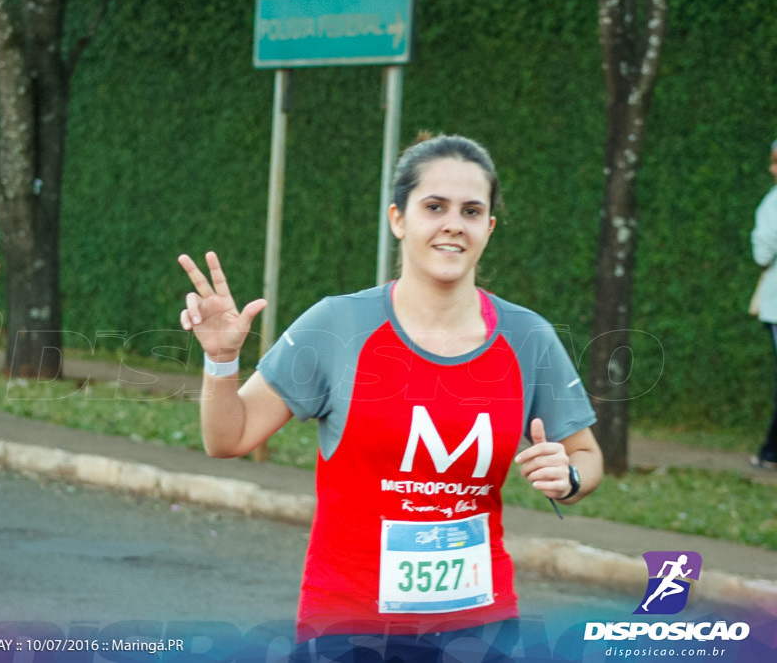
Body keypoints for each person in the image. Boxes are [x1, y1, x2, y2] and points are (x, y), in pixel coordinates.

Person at [178, 133, 603, 661]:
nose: (453, 223)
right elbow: (229, 437)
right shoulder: (340, 324)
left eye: (472, 211)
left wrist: (570, 478)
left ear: (488, 228)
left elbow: (586, 455)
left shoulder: (527, 337)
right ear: (398, 218)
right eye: (434, 207)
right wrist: (220, 360)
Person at [750, 139, 777, 471]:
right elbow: (762, 253)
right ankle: (770, 451)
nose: (773, 169)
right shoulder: (771, 203)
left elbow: (762, 252)